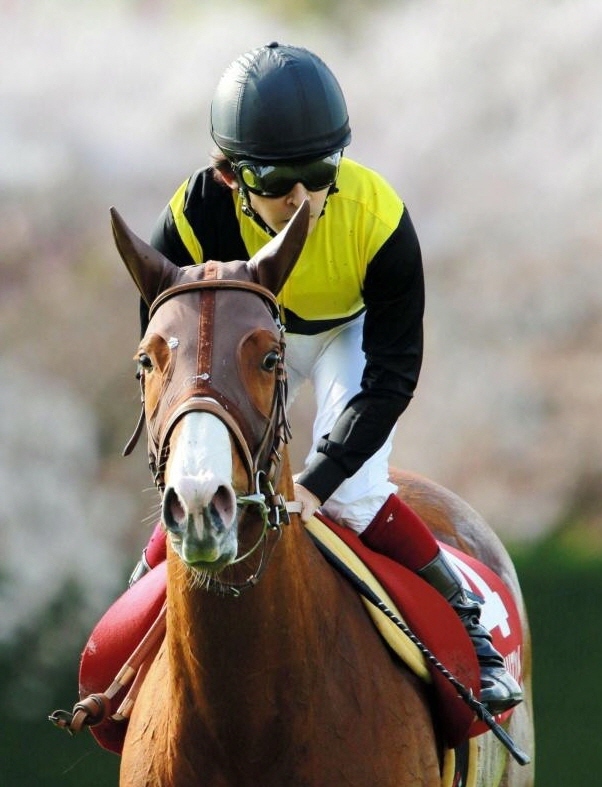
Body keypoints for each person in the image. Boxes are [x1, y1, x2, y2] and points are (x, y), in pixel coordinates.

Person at [131, 42, 522, 714]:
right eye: (281, 181)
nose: (305, 198)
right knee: (203, 471)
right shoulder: (191, 218)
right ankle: (132, 616)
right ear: (230, 175)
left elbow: (396, 370)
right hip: (243, 338)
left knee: (354, 495)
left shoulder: (379, 219)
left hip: (349, 333)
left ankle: (471, 631)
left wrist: (323, 475)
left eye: (321, 171)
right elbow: (163, 361)